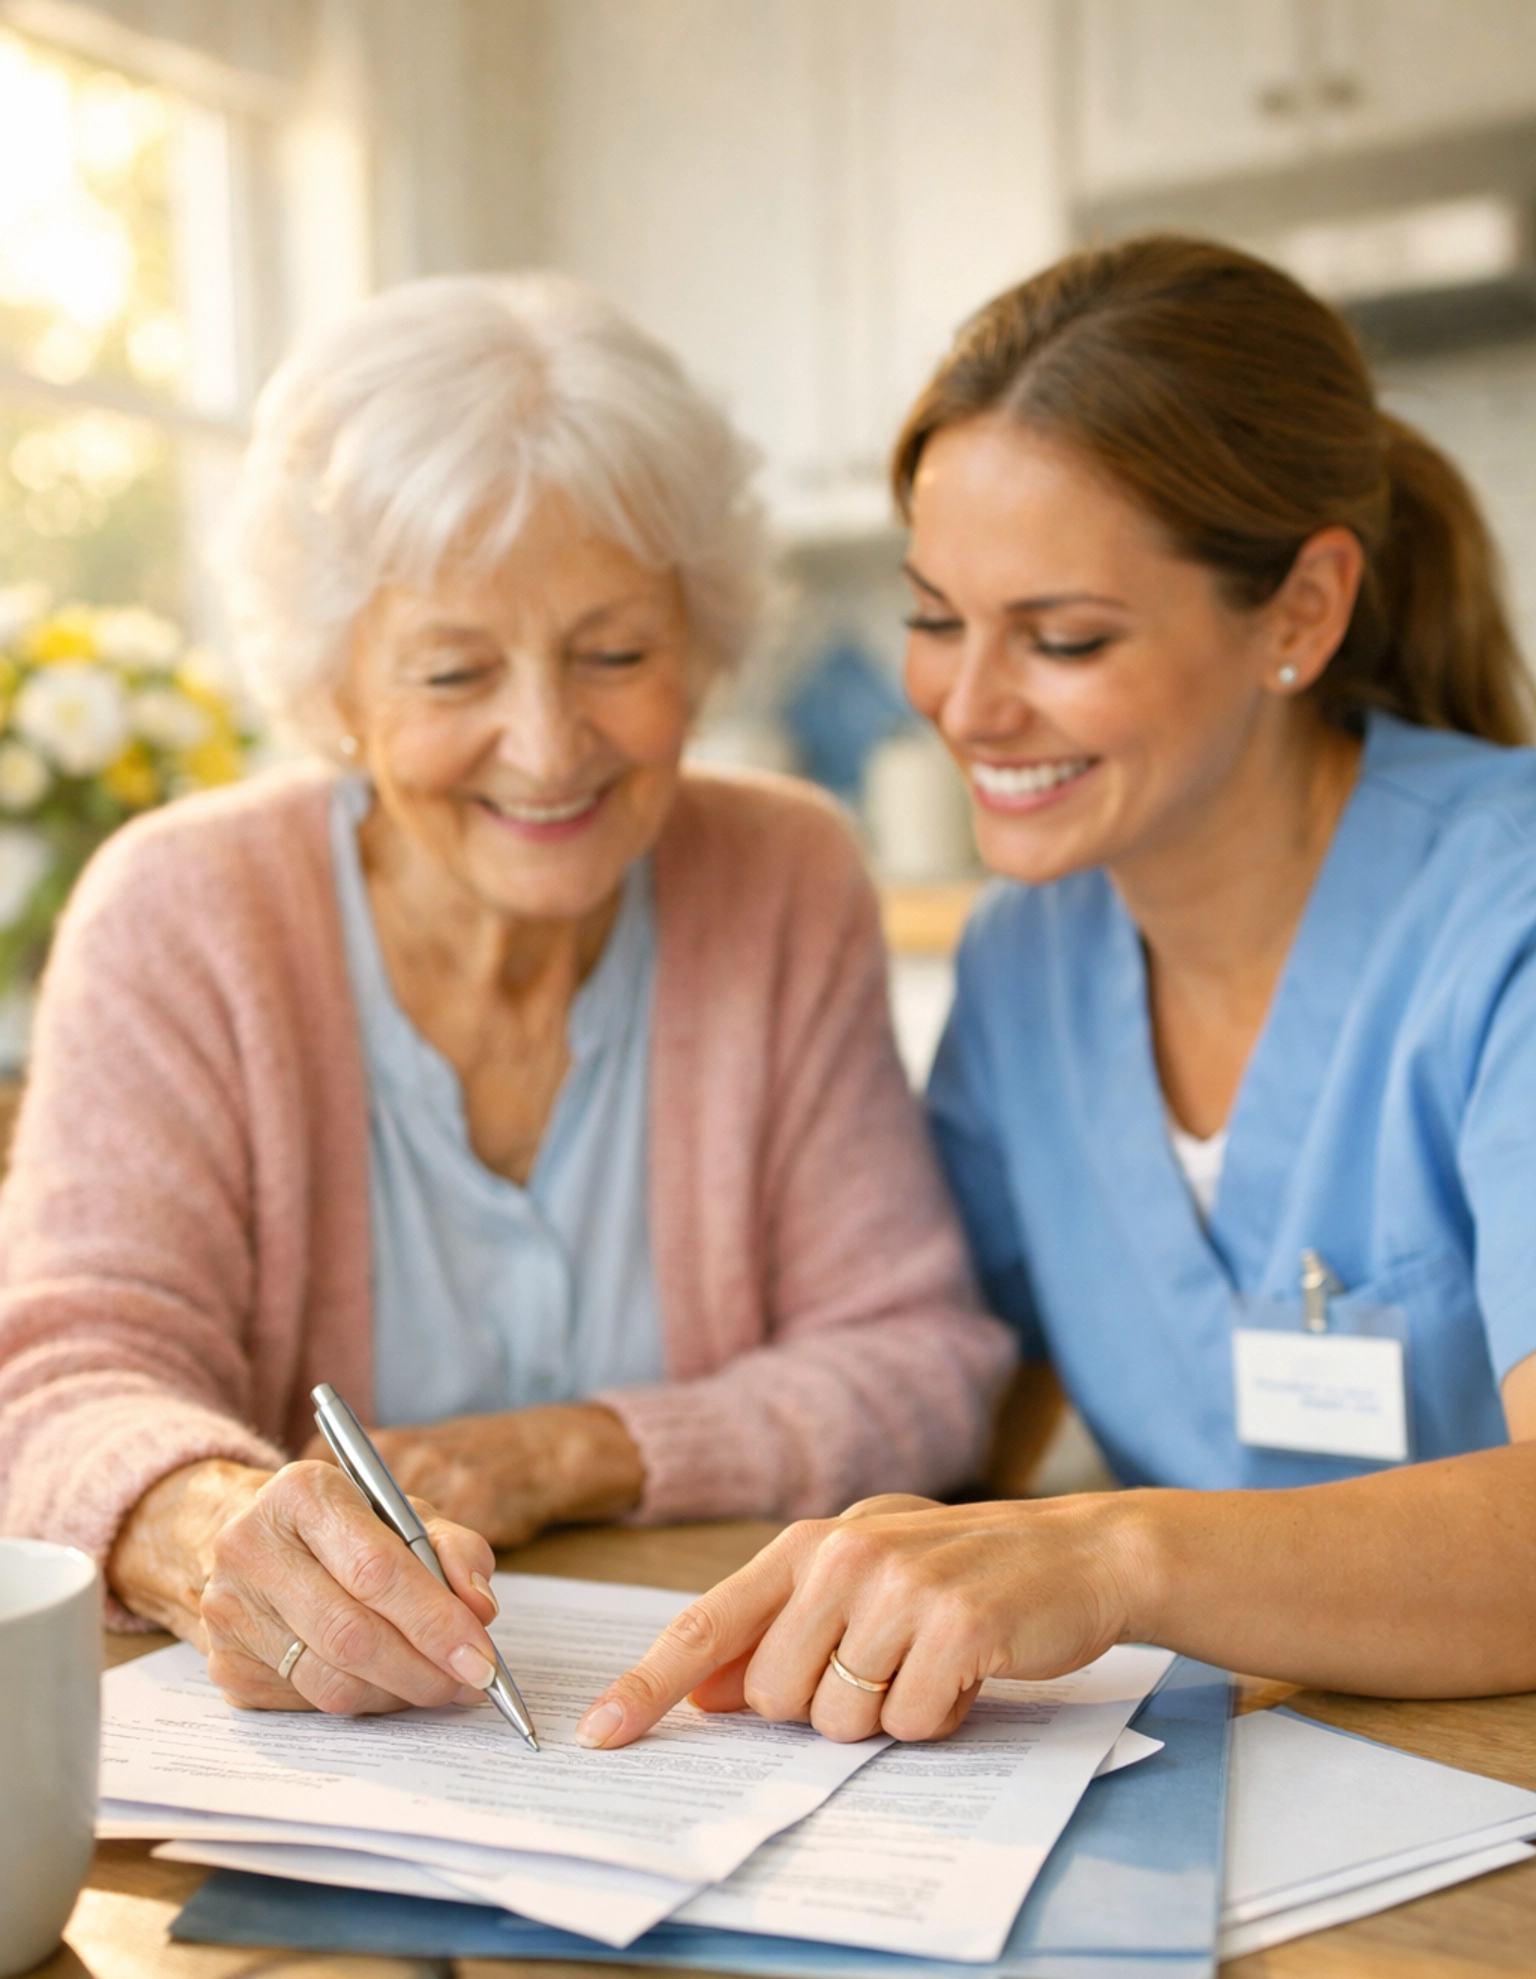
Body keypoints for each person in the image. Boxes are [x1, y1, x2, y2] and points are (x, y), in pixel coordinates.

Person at [575, 234, 1536, 1766]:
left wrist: (1112, 1558)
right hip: (1217, 1793)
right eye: (939, 619)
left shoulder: (1507, 907)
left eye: (1066, 638)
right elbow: (954, 1386)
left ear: (1300, 612)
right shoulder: (1030, 965)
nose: (971, 704)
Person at [0, 271, 1010, 1716]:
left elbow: (922, 1362)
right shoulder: (182, 912)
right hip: (326, 1767)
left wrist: (569, 1449)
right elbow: (55, 1388)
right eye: (454, 668)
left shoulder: (786, 874)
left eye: (615, 654)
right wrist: (209, 1527)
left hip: (703, 1728)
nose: (547, 748)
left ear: (701, 641)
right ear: (335, 687)